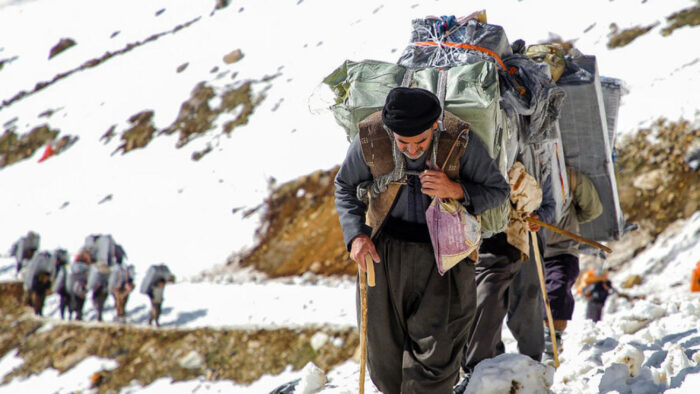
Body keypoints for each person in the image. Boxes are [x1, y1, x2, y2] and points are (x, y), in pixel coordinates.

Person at [334, 87, 510, 393]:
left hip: (445, 258)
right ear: (390, 130)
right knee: (384, 356)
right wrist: (356, 237)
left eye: (420, 142)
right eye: (403, 142)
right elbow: (345, 187)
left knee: (435, 353)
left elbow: (498, 191)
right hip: (384, 254)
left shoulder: (459, 140)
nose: (412, 150)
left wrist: (456, 190)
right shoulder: (371, 139)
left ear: (434, 126)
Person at [542, 167, 603, 360]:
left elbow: (593, 208)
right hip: (530, 252)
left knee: (557, 292)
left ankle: (551, 343)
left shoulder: (569, 176)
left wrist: (570, 219)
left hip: (561, 251)